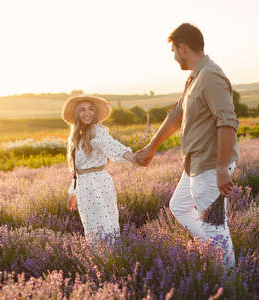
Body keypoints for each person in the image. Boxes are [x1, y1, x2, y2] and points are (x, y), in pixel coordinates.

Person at [135, 23, 239, 267]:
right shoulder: (195, 77)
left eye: (173, 50)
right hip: (195, 164)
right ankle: (212, 252)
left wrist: (222, 167)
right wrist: (151, 147)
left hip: (211, 165)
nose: (173, 57)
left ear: (182, 48)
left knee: (215, 227)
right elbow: (176, 116)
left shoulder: (211, 76)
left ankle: (228, 281)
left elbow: (227, 122)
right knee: (180, 206)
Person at [62, 95, 136, 243]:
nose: (87, 113)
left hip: (98, 183)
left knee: (103, 222)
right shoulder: (77, 135)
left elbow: (114, 147)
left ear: (95, 113)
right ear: (76, 113)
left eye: (91, 109)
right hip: (84, 186)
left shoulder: (97, 130)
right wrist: (73, 193)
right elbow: (78, 170)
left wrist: (135, 158)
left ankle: (111, 258)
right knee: (92, 224)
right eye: (82, 109)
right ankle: (103, 259)